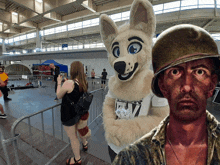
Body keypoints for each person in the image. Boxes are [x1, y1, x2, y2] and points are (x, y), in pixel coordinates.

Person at [112, 24, 220, 164]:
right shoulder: (133, 158)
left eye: (199, 71)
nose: (187, 86)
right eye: (175, 72)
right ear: (162, 85)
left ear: (212, 84)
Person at [56, 61, 89, 165]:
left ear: (72, 70)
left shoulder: (68, 83)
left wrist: (59, 82)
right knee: (80, 129)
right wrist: (67, 82)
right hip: (78, 113)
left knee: (73, 137)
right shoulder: (84, 82)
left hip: (69, 115)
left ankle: (77, 159)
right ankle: (85, 143)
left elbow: (58, 95)